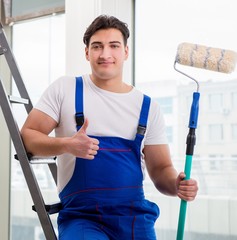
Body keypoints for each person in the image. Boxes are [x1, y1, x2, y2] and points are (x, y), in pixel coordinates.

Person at [21, 15, 198, 240]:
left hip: (134, 218)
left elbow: (161, 168)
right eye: (97, 46)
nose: (105, 54)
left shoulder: (147, 106)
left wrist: (176, 184)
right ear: (87, 53)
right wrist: (67, 145)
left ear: (125, 51)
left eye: (113, 46)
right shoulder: (65, 90)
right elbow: (28, 137)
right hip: (82, 219)